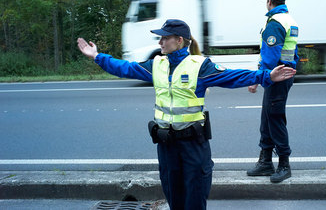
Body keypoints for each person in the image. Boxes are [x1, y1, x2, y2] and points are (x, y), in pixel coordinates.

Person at [77, 19, 295, 210]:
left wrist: (266, 76)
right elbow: (124, 68)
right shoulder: (156, 65)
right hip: (167, 146)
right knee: (175, 200)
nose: (160, 43)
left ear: (179, 41)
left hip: (193, 146)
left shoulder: (199, 66)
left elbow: (233, 77)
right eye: (160, 39)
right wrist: (97, 56)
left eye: (164, 39)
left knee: (194, 200)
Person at [247, 0, 299, 183]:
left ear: (269, 1)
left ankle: (284, 164)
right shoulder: (289, 20)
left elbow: (270, 58)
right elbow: (292, 51)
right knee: (268, 116)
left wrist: (258, 79)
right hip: (283, 74)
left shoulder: (275, 23)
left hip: (277, 76)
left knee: (275, 118)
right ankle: (266, 161)